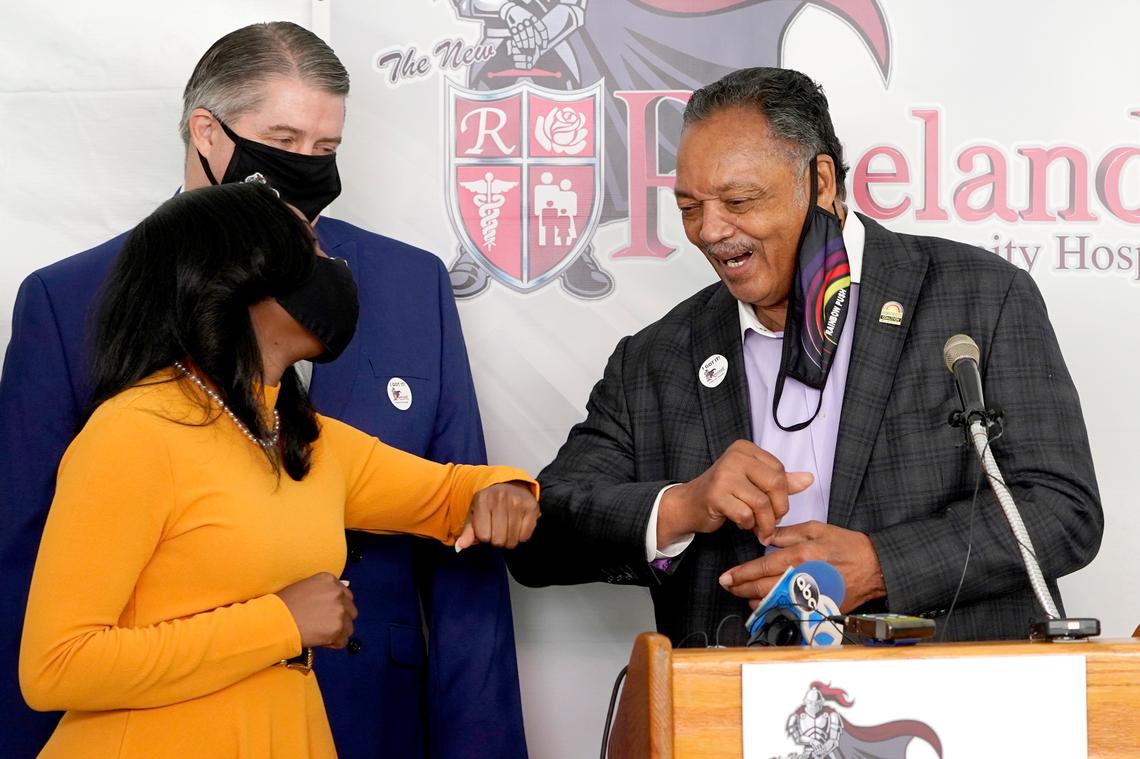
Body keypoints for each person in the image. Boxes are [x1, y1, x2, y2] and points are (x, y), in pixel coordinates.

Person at [0, 22, 528, 759]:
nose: (308, 174)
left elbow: (452, 501)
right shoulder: (77, 316)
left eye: (326, 151)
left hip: (356, 718)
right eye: (284, 141)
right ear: (207, 133)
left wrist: (507, 487)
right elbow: (31, 585)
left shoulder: (395, 308)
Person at [507, 67, 1103, 646]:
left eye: (738, 201)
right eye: (690, 207)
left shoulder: (979, 297)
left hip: (942, 715)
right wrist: (683, 505)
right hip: (727, 717)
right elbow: (542, 535)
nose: (710, 231)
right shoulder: (657, 357)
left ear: (820, 182)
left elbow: (1062, 509)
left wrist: (878, 566)